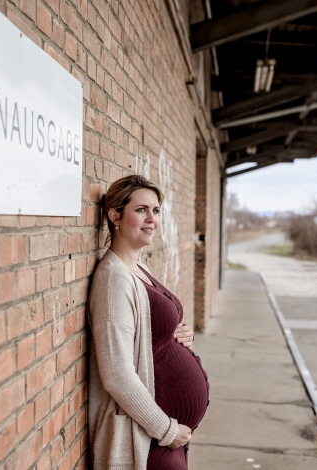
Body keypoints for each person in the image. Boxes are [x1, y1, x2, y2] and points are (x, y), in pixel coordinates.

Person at [88, 175, 209, 470]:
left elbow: (151, 332)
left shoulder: (138, 267)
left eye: (155, 211)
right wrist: (166, 430)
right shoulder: (114, 279)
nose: (151, 219)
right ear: (115, 216)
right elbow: (117, 374)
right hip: (147, 441)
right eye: (141, 210)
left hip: (163, 437)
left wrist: (177, 336)